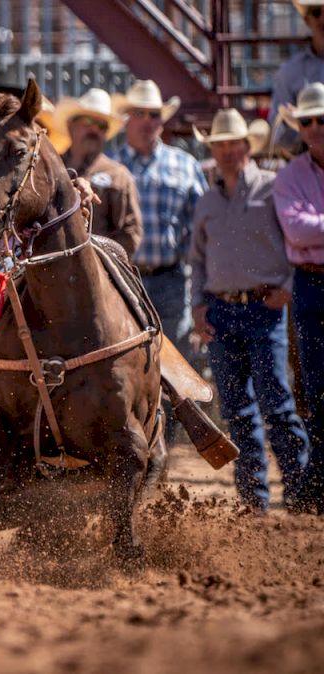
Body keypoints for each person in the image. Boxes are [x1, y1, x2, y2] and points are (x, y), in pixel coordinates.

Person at [189, 108, 310, 514]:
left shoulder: (273, 189)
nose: (226, 150)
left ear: (246, 146)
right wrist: (198, 306)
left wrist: (290, 288)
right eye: (219, 144)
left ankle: (299, 492)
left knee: (276, 401)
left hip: (264, 309)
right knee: (237, 407)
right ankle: (253, 500)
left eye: (232, 143)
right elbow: (198, 259)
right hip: (222, 312)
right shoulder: (207, 200)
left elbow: (296, 245)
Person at [110, 80, 207, 365]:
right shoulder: (110, 167)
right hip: (121, 280)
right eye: (139, 113)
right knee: (124, 360)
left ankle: (175, 411)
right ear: (127, 120)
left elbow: (200, 228)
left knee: (174, 359)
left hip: (171, 279)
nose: (148, 121)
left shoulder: (185, 165)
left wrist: (197, 279)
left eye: (154, 115)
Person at [274, 82, 324, 514]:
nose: (313, 127)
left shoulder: (291, 179)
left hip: (308, 281)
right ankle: (313, 487)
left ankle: (312, 488)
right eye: (306, 121)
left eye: (320, 120)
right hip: (309, 285)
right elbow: (295, 231)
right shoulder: (290, 176)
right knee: (316, 387)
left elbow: (307, 229)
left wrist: (315, 229)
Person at [55, 88, 144, 257]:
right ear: (70, 125)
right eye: (88, 121)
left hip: (99, 273)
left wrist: (97, 260)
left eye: (102, 125)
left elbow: (130, 234)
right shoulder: (50, 169)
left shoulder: (118, 176)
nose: (94, 129)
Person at [269, 0, 324, 149]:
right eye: (316, 12)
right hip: (306, 156)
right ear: (307, 19)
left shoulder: (290, 72)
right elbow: (278, 131)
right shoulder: (289, 72)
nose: (323, 18)